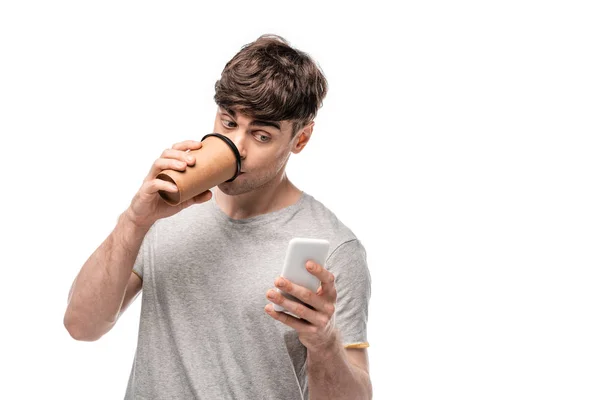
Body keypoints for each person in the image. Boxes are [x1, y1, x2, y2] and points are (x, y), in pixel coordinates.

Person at [64, 34, 372, 400]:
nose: (237, 149)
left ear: (300, 139)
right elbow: (82, 325)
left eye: (261, 135)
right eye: (228, 123)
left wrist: (324, 341)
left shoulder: (333, 248)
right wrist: (135, 220)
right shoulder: (167, 210)